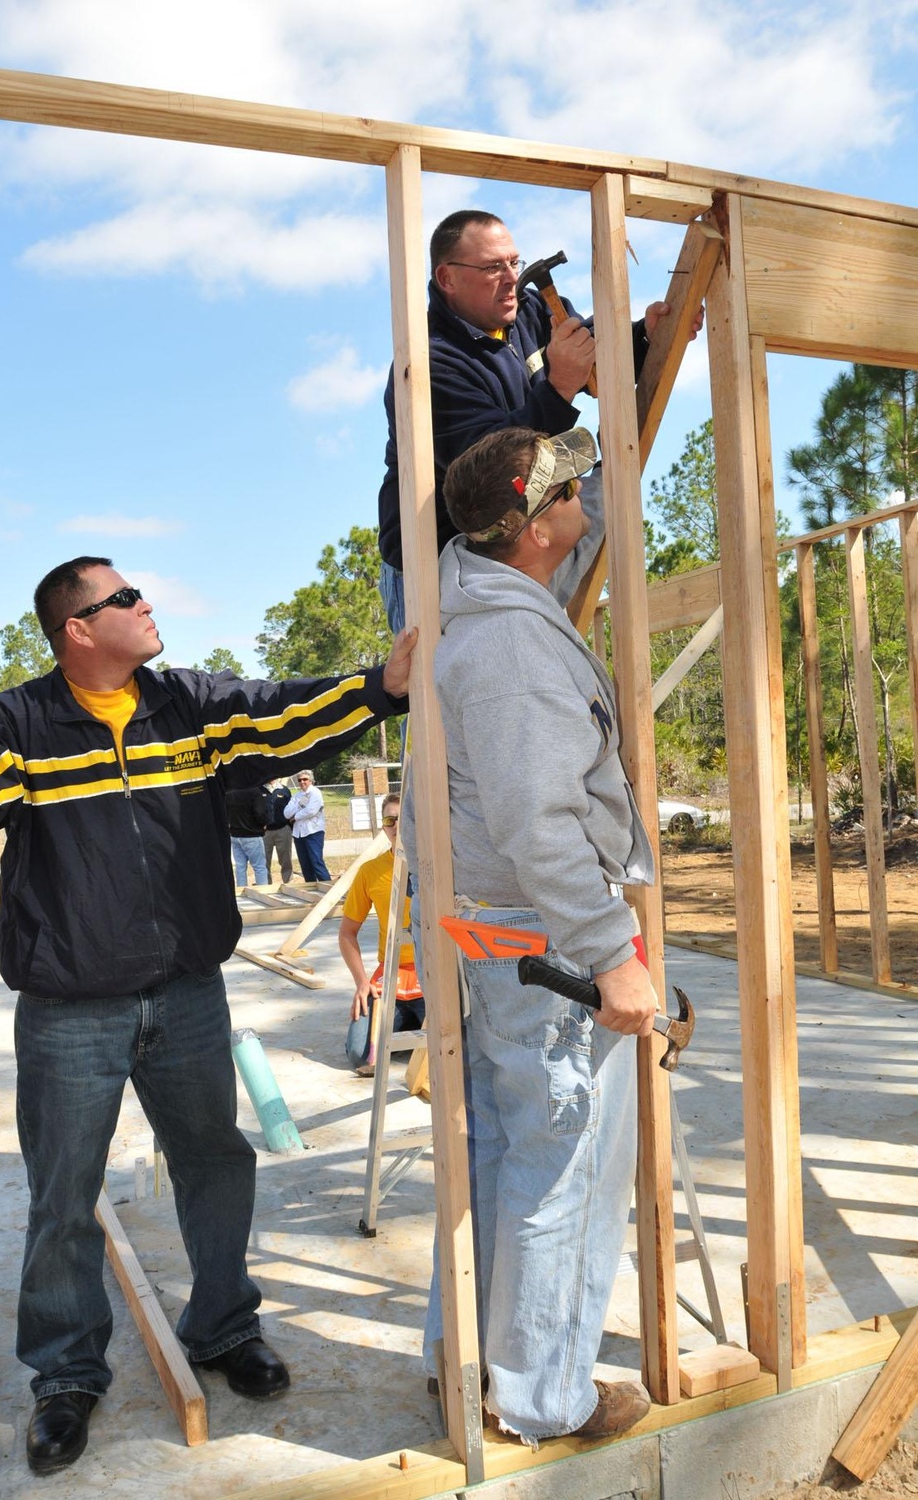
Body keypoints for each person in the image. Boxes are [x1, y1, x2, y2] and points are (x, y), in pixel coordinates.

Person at [0, 559, 415, 1475]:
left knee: (216, 1163)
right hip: (70, 1010)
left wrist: (380, 687)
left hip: (188, 993)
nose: (145, 604)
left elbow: (279, 714)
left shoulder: (189, 705)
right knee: (63, 1194)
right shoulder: (20, 722)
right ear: (76, 628)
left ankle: (224, 1326)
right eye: (123, 598)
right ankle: (67, 1373)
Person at [412, 427, 658, 1446]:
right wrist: (611, 954)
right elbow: (539, 824)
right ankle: (542, 1401)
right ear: (535, 526)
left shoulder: (478, 602)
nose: (585, 495)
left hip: (502, 936)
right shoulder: (511, 648)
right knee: (564, 1168)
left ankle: (470, 1368)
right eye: (571, 489)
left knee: (502, 1157)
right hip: (547, 943)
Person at [377, 208, 700, 630]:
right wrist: (559, 387)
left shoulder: (531, 309)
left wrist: (643, 337)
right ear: (447, 278)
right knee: (459, 671)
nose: (511, 278)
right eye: (493, 268)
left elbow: (591, 355)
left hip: (519, 540)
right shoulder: (427, 364)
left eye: (514, 262)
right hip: (439, 564)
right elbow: (494, 479)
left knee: (604, 487)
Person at [339, 793, 425, 1077]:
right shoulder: (370, 871)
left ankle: (410, 1027)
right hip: (390, 976)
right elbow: (347, 933)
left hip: (430, 977)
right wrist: (362, 982)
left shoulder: (438, 864)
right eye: (390, 820)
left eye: (403, 819)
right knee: (360, 1055)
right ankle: (406, 1025)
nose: (396, 826)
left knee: (455, 1050)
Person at [284, 769, 330, 882]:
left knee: (316, 862)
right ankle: (311, 887)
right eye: (299, 780)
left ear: (311, 780)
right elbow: (286, 813)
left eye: (305, 779)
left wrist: (295, 817)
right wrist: (299, 806)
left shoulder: (315, 792)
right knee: (305, 864)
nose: (302, 782)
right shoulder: (297, 795)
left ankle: (328, 886)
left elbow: (311, 810)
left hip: (313, 831)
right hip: (298, 834)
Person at [226, 785, 269, 892]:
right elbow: (260, 813)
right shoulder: (255, 792)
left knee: (240, 867)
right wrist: (264, 823)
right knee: (259, 867)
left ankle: (241, 892)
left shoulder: (230, 792)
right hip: (252, 834)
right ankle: (263, 892)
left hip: (235, 833)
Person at [262, 778, 294, 884]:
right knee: (264, 861)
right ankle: (266, 885)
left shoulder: (284, 790)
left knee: (286, 860)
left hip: (283, 829)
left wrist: (289, 827)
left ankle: (288, 883)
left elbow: (291, 809)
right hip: (265, 832)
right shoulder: (259, 789)